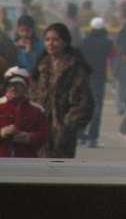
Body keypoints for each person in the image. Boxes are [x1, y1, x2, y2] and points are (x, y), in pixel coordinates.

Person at [30, 22, 94, 158]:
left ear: (65, 42)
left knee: (58, 174)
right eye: (47, 40)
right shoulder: (41, 66)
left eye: (55, 40)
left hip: (63, 135)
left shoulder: (75, 68)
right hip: (38, 132)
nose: (50, 44)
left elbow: (83, 103)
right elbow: (32, 95)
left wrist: (67, 127)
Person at [79, 17, 114, 148]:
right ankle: (93, 138)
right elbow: (112, 57)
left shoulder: (83, 42)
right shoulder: (108, 43)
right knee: (97, 108)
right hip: (99, 78)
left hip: (83, 77)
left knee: (82, 106)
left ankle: (80, 135)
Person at [0, 67, 48, 158]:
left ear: (25, 87)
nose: (13, 88)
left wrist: (28, 138)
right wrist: (2, 133)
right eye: (10, 84)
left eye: (18, 84)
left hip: (28, 162)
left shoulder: (37, 110)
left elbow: (44, 136)